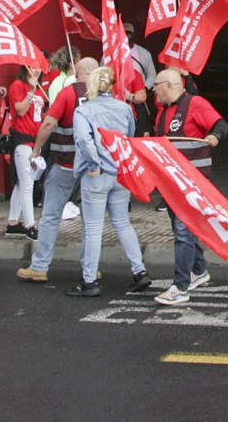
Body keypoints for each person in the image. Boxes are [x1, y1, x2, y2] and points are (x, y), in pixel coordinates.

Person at [67, 66, 150, 297]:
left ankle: (89, 281)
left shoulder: (83, 111)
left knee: (93, 228)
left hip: (97, 174)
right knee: (123, 223)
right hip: (120, 172)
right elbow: (129, 137)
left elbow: (84, 140)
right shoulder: (124, 108)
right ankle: (139, 271)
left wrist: (94, 164)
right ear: (113, 84)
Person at [151, 69, 228, 306]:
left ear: (168, 85)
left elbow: (221, 124)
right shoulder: (162, 113)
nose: (153, 90)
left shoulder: (195, 103)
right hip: (173, 181)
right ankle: (200, 269)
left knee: (183, 232)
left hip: (193, 181)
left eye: (156, 85)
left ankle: (180, 286)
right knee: (181, 229)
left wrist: (215, 136)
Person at [17, 57, 96, 282]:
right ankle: (90, 269)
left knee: (51, 215)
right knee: (91, 220)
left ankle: (40, 266)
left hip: (65, 163)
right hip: (93, 167)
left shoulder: (68, 93)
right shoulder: (103, 95)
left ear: (76, 72)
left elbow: (49, 123)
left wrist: (36, 150)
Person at [5, 65, 45, 239]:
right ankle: (30, 225)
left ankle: (13, 222)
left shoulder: (42, 89)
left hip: (35, 140)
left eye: (39, 67)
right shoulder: (17, 85)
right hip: (22, 138)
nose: (36, 70)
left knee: (22, 183)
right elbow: (20, 110)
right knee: (28, 184)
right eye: (32, 66)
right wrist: (31, 91)